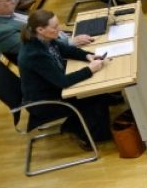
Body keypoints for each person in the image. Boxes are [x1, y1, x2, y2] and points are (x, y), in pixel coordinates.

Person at [18, 10, 112, 144]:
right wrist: (90, 69)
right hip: (45, 102)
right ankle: (88, 136)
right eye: (55, 27)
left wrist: (87, 56)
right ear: (40, 29)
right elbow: (62, 82)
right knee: (94, 96)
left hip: (52, 88)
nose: (59, 29)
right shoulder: (34, 54)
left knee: (97, 93)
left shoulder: (44, 39)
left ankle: (85, 126)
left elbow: (65, 49)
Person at [0, 0, 92, 60]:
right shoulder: (2, 33)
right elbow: (39, 49)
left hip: (60, 37)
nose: (14, 1)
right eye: (8, 0)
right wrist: (70, 42)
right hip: (57, 55)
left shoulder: (1, 13)